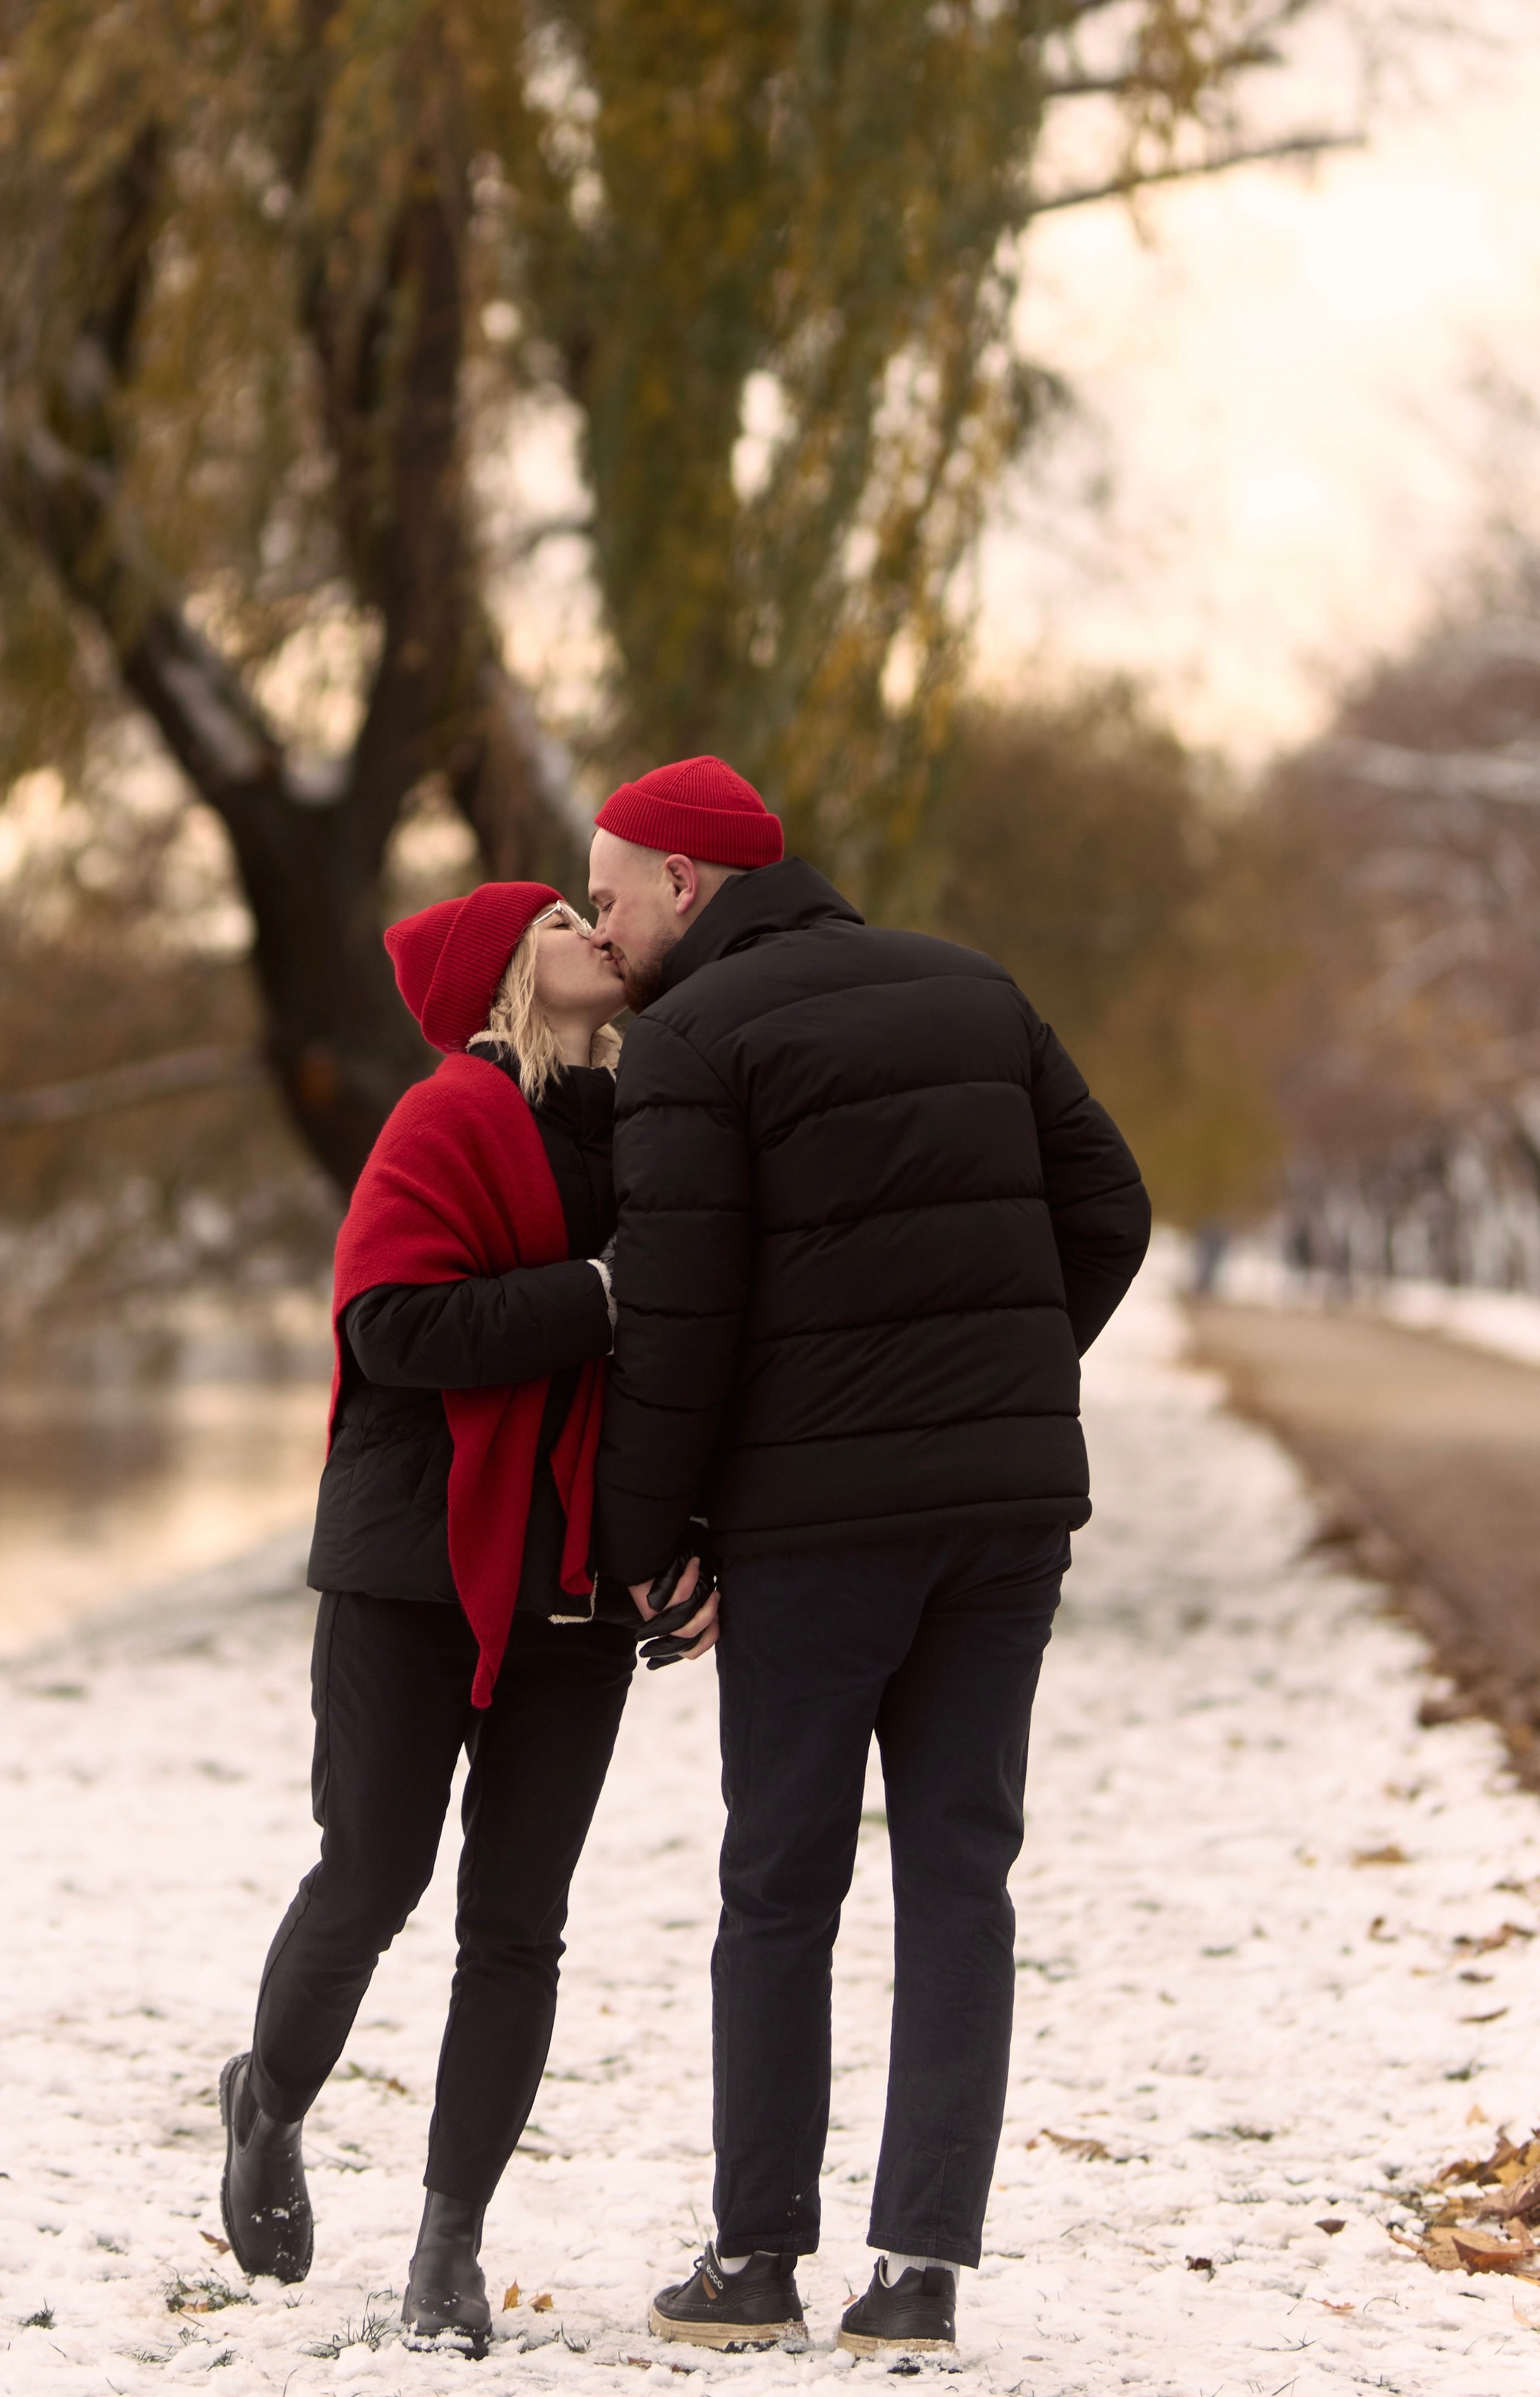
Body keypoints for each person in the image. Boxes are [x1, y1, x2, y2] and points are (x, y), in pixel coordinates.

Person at [586, 756, 1151, 2358]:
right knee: (961, 1870)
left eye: (613, 892)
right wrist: (1003, 1382)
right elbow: (1108, 1207)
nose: (603, 924)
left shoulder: (690, 1038)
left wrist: (643, 1543)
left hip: (812, 1534)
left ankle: (756, 2255)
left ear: (688, 884)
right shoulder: (970, 987)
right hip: (1002, 1519)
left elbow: (676, 1323)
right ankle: (916, 2278)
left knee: (779, 1879)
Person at [217, 881, 714, 2356]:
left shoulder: (646, 1129)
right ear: (510, 965)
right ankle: (269, 2103)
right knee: (370, 1874)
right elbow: (393, 1326)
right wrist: (597, 1293)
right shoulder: (441, 1121)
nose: (594, 927)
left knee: (518, 1925)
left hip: (569, 1569)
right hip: (408, 1562)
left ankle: (447, 2245)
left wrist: (684, 1539)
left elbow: (688, 1363)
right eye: (563, 915)